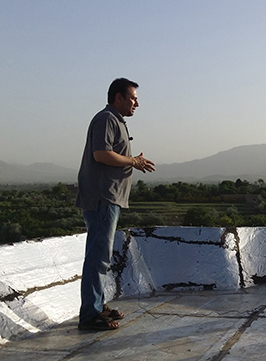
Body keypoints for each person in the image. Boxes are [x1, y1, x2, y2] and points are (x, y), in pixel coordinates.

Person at [76, 78, 156, 330]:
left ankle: (98, 306)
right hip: (103, 197)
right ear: (118, 97)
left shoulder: (114, 120)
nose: (137, 103)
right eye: (132, 98)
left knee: (100, 255)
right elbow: (101, 154)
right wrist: (133, 161)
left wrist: (133, 161)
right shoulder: (107, 119)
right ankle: (90, 315)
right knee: (97, 257)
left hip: (107, 198)